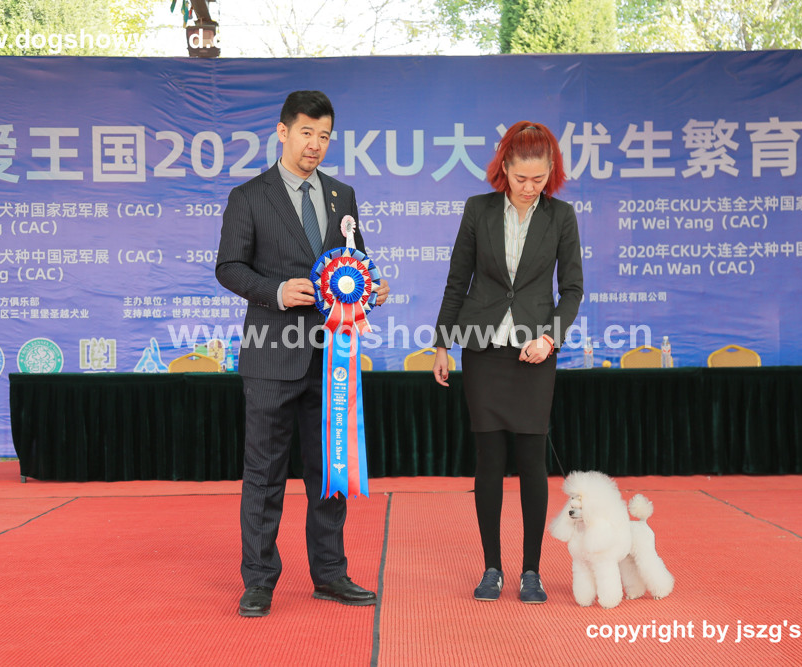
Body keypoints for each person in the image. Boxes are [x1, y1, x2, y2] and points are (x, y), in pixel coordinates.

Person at [216, 90, 389, 617]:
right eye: (307, 133)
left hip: (332, 358)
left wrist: (372, 288)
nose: (315, 144)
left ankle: (330, 574)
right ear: (283, 132)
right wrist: (274, 291)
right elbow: (229, 266)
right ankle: (259, 580)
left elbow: (354, 262)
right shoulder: (250, 196)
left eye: (324, 136)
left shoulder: (342, 195)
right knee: (264, 474)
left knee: (330, 472)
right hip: (272, 354)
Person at [432, 121, 583, 604]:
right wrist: (442, 343)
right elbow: (458, 279)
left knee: (532, 460)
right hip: (482, 350)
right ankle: (492, 568)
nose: (529, 187)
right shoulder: (477, 210)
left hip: (534, 352)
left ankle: (531, 571)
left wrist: (550, 338)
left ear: (551, 171)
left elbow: (572, 289)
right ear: (504, 168)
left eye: (539, 178)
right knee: (490, 460)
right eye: (521, 177)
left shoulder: (561, 217)